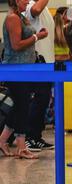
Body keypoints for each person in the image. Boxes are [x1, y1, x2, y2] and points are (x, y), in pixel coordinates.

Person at [0, 0, 48, 159]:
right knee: (23, 105)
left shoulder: (21, 17)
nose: (28, 1)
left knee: (22, 104)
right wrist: (36, 37)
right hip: (15, 69)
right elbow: (16, 45)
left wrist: (37, 34)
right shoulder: (12, 18)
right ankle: (21, 146)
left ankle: (3, 140)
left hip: (25, 69)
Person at [22, 0, 55, 152]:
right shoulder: (29, 6)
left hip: (47, 62)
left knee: (44, 99)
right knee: (39, 99)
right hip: (37, 62)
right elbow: (36, 9)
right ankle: (29, 136)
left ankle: (36, 136)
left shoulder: (44, 9)